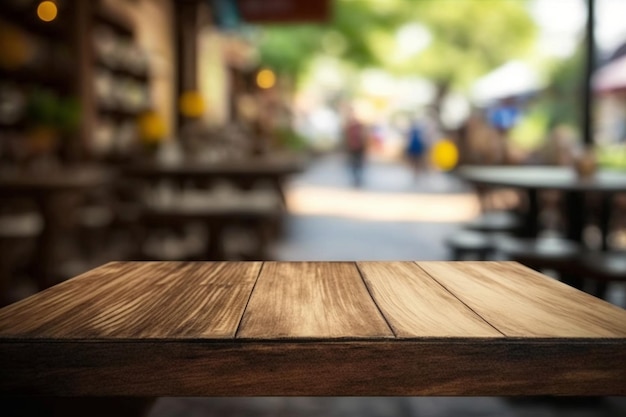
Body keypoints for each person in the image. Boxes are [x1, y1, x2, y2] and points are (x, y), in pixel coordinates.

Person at [343, 110, 367, 187]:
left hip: (359, 148)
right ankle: (356, 179)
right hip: (352, 148)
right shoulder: (349, 127)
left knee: (358, 164)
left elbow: (364, 136)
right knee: (353, 164)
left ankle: (358, 179)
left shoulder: (359, 126)